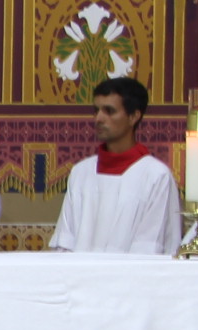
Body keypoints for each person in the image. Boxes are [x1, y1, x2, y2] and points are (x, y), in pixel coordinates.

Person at [49, 75, 179, 255]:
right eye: (96, 110)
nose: (98, 119)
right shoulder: (81, 173)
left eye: (109, 111)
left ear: (134, 116)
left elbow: (150, 247)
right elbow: (65, 242)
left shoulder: (156, 177)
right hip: (79, 279)